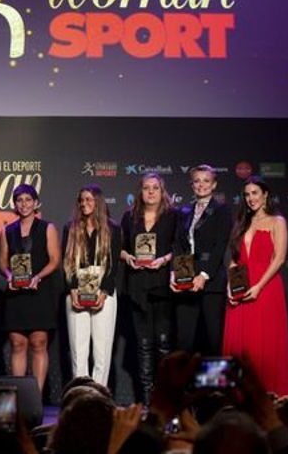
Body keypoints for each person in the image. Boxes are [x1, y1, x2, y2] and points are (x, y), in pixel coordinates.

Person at [223, 176, 288, 396]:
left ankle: (268, 400)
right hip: (241, 290)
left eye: (254, 193)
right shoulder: (242, 223)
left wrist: (259, 287)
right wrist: (230, 286)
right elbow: (235, 260)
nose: (250, 198)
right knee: (240, 348)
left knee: (263, 347)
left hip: (266, 290)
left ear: (265, 195)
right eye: (246, 194)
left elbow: (279, 258)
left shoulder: (277, 221)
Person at [119, 172, 177, 403]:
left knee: (163, 344)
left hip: (163, 284)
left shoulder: (173, 217)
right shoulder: (129, 217)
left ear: (162, 191)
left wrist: (163, 260)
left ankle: (163, 400)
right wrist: (129, 258)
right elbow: (119, 248)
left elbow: (180, 248)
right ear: (140, 192)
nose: (151, 192)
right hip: (137, 285)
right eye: (146, 188)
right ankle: (147, 400)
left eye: (155, 187)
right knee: (143, 345)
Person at [0, 184, 61, 392]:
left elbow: (54, 260)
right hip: (16, 295)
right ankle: (18, 395)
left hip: (39, 291)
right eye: (19, 200)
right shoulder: (8, 230)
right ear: (14, 204)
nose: (24, 204)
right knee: (17, 344)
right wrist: (9, 277)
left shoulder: (47, 228)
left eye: (28, 199)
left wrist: (37, 277)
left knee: (38, 343)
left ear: (36, 203)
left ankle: (35, 397)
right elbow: (2, 263)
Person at [62, 184, 121, 386]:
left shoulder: (112, 229)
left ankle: (98, 396)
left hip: (104, 293)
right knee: (79, 350)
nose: (84, 204)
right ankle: (80, 396)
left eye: (89, 199)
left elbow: (113, 266)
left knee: (102, 351)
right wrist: (73, 291)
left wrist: (103, 292)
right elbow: (67, 263)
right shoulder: (70, 228)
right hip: (77, 293)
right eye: (81, 200)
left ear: (98, 202)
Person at [172, 165, 232, 355]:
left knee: (213, 341)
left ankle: (215, 385)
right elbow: (178, 246)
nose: (201, 185)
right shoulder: (184, 211)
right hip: (186, 282)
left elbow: (220, 247)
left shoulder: (222, 210)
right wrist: (176, 273)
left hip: (211, 282)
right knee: (184, 340)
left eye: (206, 181)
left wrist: (204, 275)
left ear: (214, 185)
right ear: (191, 185)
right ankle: (185, 384)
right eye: (197, 181)